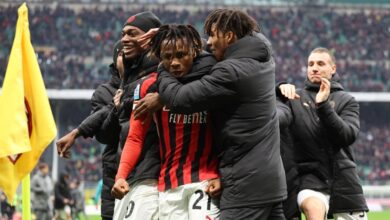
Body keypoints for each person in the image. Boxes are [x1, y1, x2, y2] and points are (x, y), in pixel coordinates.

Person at [157, 9, 286, 220]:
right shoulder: (264, 57)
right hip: (270, 183)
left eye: (214, 35)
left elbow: (179, 99)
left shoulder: (231, 71)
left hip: (245, 186)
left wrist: (162, 67)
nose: (209, 43)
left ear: (229, 36)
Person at [112, 24, 221, 219]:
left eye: (181, 55)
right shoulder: (148, 88)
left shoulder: (210, 79)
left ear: (195, 51)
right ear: (159, 58)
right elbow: (135, 137)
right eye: (168, 57)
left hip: (205, 180)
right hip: (169, 185)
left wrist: (222, 174)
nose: (175, 63)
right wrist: (121, 175)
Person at [277, 47, 369, 220]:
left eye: (320, 63)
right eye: (310, 64)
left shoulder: (347, 101)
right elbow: (273, 113)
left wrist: (323, 106)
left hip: (345, 182)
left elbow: (347, 136)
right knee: (313, 208)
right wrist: (279, 90)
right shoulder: (294, 98)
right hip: (310, 179)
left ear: (333, 69)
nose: (314, 68)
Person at [101, 11, 162, 220]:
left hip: (149, 177)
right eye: (123, 34)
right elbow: (125, 134)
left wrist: (163, 35)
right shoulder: (132, 78)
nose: (124, 39)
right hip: (128, 177)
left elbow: (198, 50)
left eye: (132, 33)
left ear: (151, 38)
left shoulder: (165, 75)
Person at [56, 40, 124, 220]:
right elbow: (104, 135)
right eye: (123, 54)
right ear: (115, 59)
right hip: (115, 171)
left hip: (149, 170)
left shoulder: (151, 83)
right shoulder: (103, 93)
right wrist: (118, 106)